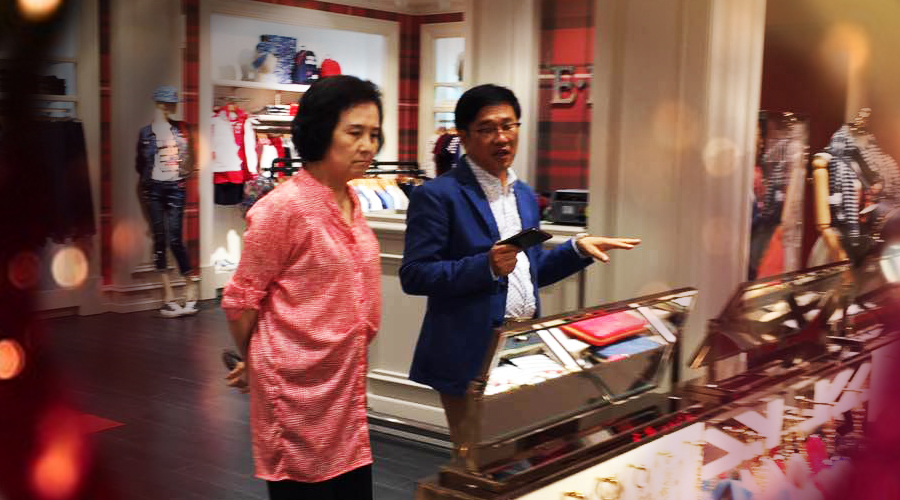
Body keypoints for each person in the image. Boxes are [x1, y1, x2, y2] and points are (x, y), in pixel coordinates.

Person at [399, 83, 641, 446]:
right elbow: (415, 275)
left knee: (521, 453)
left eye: (508, 126)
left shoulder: (524, 194)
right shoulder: (437, 195)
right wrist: (484, 266)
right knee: (476, 459)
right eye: (487, 129)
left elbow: (529, 271)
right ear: (464, 136)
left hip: (522, 346)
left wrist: (577, 250)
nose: (501, 137)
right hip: (469, 352)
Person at [221, 75, 383, 500]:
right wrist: (256, 362)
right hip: (297, 393)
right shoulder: (283, 208)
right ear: (320, 131)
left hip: (345, 387)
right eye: (355, 133)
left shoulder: (352, 200)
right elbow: (241, 300)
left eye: (374, 134)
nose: (368, 146)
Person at [135, 85, 198, 317]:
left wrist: (186, 166)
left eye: (172, 102)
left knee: (175, 239)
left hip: (175, 188)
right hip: (153, 189)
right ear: (158, 104)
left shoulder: (182, 129)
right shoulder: (145, 133)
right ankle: (168, 296)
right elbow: (140, 167)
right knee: (159, 239)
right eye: (167, 102)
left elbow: (191, 162)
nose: (171, 106)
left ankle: (191, 289)